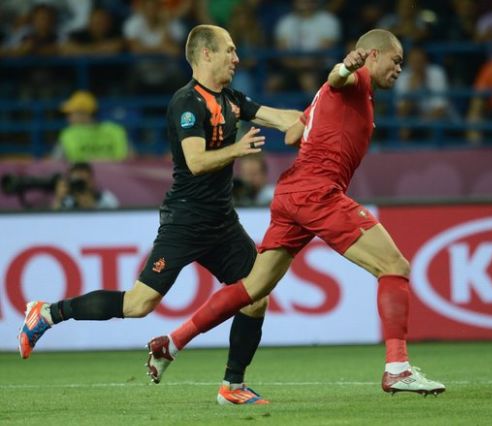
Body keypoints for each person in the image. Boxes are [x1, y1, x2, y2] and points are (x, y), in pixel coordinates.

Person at [146, 29, 446, 397]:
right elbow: (337, 77)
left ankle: (171, 343)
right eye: (395, 60)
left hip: (291, 192)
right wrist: (345, 67)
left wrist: (322, 123)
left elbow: (292, 135)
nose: (399, 68)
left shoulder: (331, 97)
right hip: (317, 192)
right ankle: (398, 369)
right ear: (371, 55)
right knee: (394, 267)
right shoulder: (356, 79)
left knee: (253, 288)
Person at [19, 24, 302, 406]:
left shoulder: (232, 99)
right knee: (139, 304)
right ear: (206, 54)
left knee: (257, 296)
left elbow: (282, 118)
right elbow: (196, 161)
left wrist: (320, 111)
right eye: (229, 50)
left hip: (221, 222)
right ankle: (48, 313)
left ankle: (232, 386)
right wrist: (237, 150)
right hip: (185, 220)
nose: (237, 58)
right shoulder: (186, 102)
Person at [51, 90, 131, 162]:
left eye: (70, 113)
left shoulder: (115, 130)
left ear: (84, 113)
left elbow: (129, 158)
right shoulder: (68, 134)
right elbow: (55, 162)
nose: (68, 118)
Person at [50, 162, 119, 210]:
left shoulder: (105, 198)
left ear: (91, 180)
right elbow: (54, 222)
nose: (80, 176)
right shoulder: (68, 201)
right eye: (77, 180)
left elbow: (117, 220)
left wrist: (91, 204)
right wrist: (59, 199)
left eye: (84, 176)